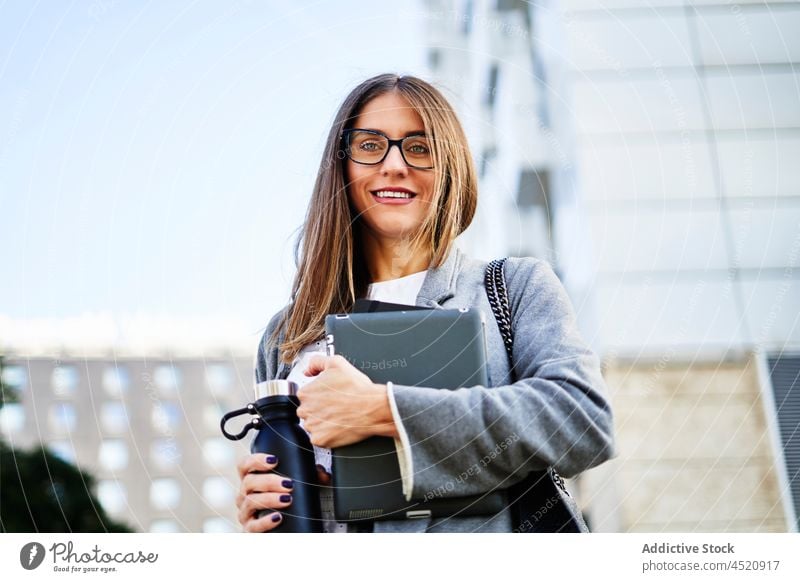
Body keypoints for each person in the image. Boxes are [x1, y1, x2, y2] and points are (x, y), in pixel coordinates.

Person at [235, 73, 615, 533]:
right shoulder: (287, 335)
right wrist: (269, 504)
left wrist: (383, 410)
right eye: (371, 145)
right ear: (342, 165)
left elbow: (583, 418)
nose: (394, 166)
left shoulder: (513, 289)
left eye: (419, 148)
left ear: (450, 168)